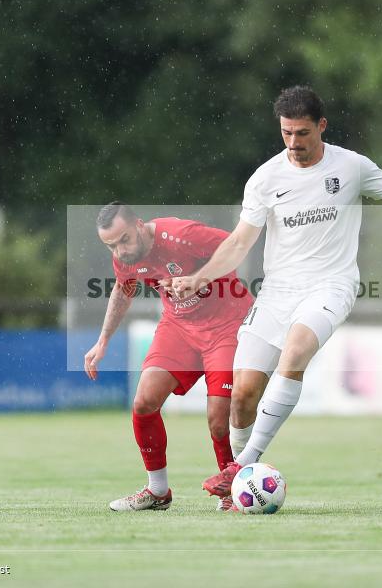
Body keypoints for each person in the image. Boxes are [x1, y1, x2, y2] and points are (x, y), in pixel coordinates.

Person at [170, 86, 382, 497]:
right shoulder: (265, 178)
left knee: (296, 351)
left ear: (322, 126)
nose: (294, 144)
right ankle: (239, 481)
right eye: (286, 134)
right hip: (278, 292)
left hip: (331, 285)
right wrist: (200, 277)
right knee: (242, 395)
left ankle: (240, 468)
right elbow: (240, 241)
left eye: (302, 133)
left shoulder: (351, 168)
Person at [84, 202, 254, 511]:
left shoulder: (181, 235)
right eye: (111, 245)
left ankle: (233, 491)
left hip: (227, 325)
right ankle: (158, 492)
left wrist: (199, 279)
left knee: (219, 421)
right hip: (179, 327)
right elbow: (124, 289)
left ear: (138, 225)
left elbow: (236, 245)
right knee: (144, 402)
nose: (120, 251)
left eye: (124, 240)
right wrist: (103, 340)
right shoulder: (125, 255)